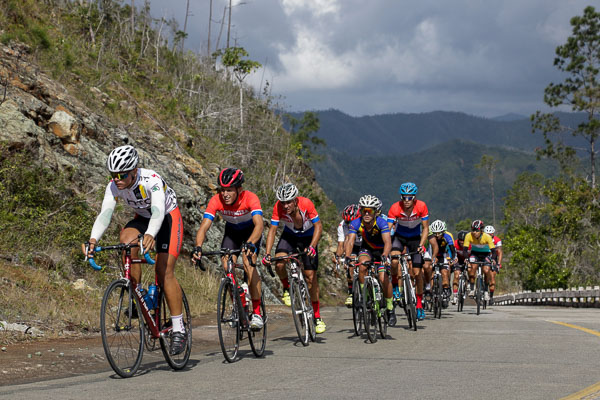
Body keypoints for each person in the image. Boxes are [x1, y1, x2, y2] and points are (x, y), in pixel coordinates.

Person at [83, 145, 186, 355]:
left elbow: (157, 211)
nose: (117, 179)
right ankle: (136, 293)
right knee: (126, 240)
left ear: (134, 171)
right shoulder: (114, 186)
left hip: (166, 217)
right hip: (143, 218)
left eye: (122, 174)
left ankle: (178, 329)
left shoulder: (152, 180)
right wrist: (93, 240)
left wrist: (150, 235)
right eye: (113, 175)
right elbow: (105, 214)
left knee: (164, 271)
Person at [192, 168, 264, 329]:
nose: (225, 194)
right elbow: (204, 227)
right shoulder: (216, 200)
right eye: (222, 190)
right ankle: (238, 307)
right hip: (232, 233)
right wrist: (198, 247)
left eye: (229, 190)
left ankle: (257, 312)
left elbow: (259, 225)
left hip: (251, 233)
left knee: (248, 263)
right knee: (227, 266)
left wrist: (251, 243)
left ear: (239, 189)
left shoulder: (250, 198)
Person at [262, 183, 326, 334]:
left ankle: (317, 317)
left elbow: (318, 226)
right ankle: (286, 288)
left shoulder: (306, 204)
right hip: (289, 236)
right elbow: (272, 229)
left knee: (311, 278)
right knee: (279, 263)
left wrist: (312, 246)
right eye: (283, 202)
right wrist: (267, 253)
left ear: (295, 200)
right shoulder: (278, 207)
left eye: (289, 201)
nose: (285, 205)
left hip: (308, 237)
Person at [345, 195, 395, 326]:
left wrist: (385, 255)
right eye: (364, 211)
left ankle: (390, 308)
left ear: (376, 211)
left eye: (370, 211)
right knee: (362, 266)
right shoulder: (356, 223)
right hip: (367, 250)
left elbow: (388, 243)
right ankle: (365, 296)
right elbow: (350, 241)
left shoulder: (381, 222)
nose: (366, 214)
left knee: (384, 278)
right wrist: (347, 256)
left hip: (382, 251)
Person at [387, 182, 430, 320]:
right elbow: (387, 229)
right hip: (400, 238)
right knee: (394, 261)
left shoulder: (421, 206)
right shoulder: (395, 207)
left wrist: (422, 245)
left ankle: (419, 305)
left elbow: (425, 229)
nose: (406, 201)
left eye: (409, 197)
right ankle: (395, 287)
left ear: (414, 197)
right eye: (404, 197)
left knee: (417, 273)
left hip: (415, 239)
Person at [333, 204, 362, 307]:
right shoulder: (342, 225)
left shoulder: (364, 222)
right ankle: (351, 293)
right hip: (352, 245)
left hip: (365, 245)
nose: (349, 224)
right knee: (350, 266)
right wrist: (338, 257)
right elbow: (341, 244)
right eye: (347, 222)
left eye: (351, 221)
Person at [464, 220, 495, 302]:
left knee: (486, 270)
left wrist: (493, 259)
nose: (474, 232)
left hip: (486, 254)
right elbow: (465, 250)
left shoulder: (487, 237)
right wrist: (466, 258)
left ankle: (485, 291)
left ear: (481, 230)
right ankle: (472, 288)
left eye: (476, 230)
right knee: (472, 268)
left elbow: (494, 251)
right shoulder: (468, 236)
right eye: (473, 230)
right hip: (475, 254)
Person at [484, 225, 503, 305]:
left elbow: (500, 252)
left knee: (492, 279)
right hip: (484, 258)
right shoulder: (483, 240)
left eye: (491, 233)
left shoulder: (497, 240)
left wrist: (498, 263)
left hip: (494, 259)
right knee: (485, 274)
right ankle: (484, 288)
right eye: (487, 234)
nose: (489, 235)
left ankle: (491, 296)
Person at [452, 230, 469, 304]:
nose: (462, 242)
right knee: (456, 275)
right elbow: (452, 252)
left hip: (467, 259)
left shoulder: (470, 244)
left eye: (463, 240)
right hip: (458, 260)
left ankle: (467, 284)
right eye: (460, 240)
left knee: (470, 271)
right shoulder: (455, 243)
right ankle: (455, 296)